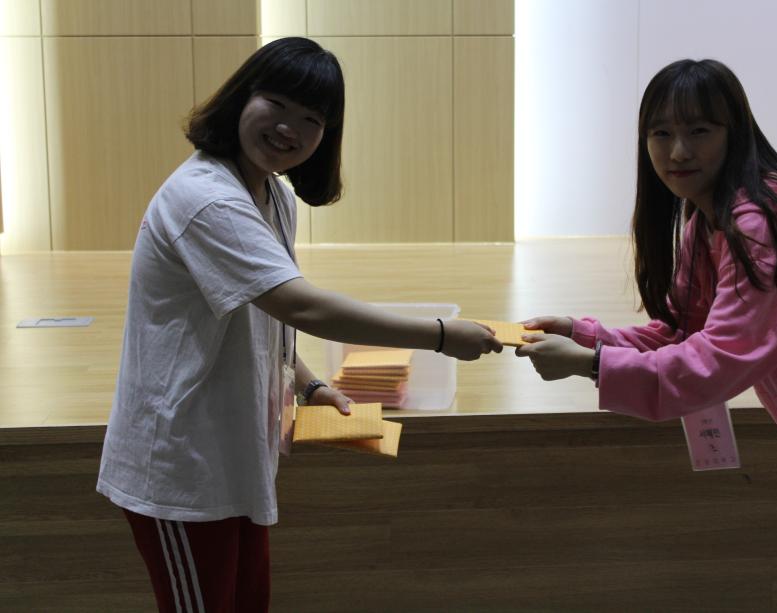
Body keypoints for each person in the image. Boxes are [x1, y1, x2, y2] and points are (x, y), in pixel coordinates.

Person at [96, 37, 502, 612]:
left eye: (311, 119)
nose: (290, 128)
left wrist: (308, 385)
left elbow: (263, 315)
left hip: (233, 455)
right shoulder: (207, 200)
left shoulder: (273, 196)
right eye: (278, 104)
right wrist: (437, 335)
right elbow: (301, 306)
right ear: (242, 97)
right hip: (181, 467)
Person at [516, 59, 777, 612]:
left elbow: (715, 362)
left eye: (699, 131)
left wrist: (590, 364)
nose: (678, 151)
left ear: (736, 133)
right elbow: (682, 332)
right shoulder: (709, 219)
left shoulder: (766, 225)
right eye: (661, 133)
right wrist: (587, 337)